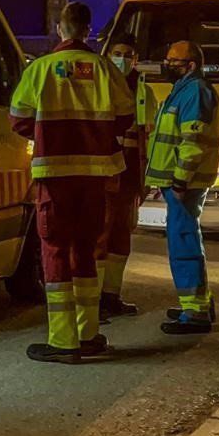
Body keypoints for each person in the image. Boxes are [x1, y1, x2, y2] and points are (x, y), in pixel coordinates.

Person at [10, 2, 135, 363]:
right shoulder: (105, 68)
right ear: (88, 30)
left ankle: (63, 341)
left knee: (54, 251)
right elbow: (125, 117)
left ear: (59, 28)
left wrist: (48, 134)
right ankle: (88, 333)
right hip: (95, 175)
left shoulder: (41, 69)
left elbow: (18, 119)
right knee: (85, 250)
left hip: (55, 175)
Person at [144, 41, 219, 334]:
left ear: (190, 65)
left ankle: (195, 312)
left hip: (185, 184)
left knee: (184, 243)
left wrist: (180, 180)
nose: (167, 65)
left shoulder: (195, 91)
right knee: (185, 240)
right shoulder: (184, 90)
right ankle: (198, 304)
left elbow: (193, 142)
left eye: (173, 61)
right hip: (180, 183)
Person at [97, 36, 146, 320]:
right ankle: (93, 301)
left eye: (129, 55)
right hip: (105, 171)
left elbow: (146, 134)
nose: (123, 59)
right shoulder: (99, 83)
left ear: (136, 59)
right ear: (108, 55)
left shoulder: (142, 89)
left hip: (130, 174)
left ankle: (111, 295)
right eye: (118, 53)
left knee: (120, 237)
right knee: (100, 236)